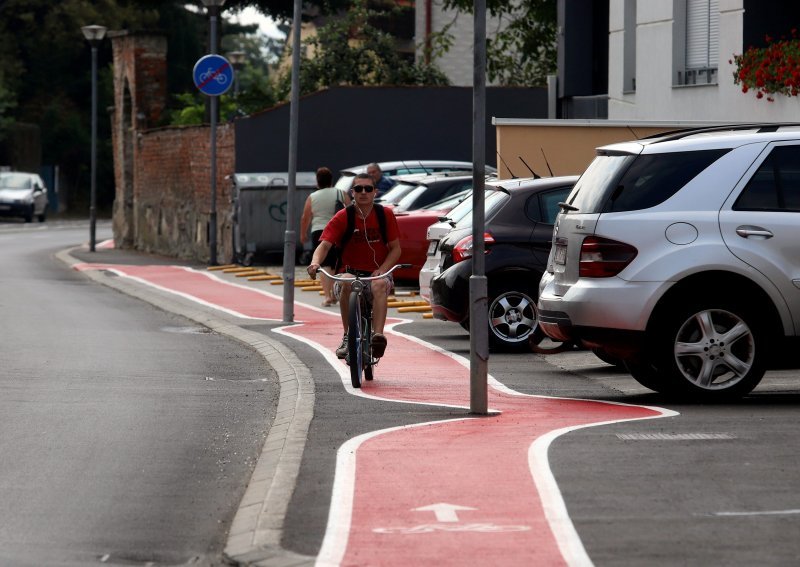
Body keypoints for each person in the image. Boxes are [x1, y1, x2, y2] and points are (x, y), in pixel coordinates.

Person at [307, 173, 401, 360]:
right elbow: (324, 244)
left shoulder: (385, 214)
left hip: (376, 274)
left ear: (375, 192)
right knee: (346, 283)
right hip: (350, 272)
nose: (363, 192)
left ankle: (378, 337)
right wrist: (315, 262)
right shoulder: (343, 216)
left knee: (380, 284)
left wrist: (383, 268)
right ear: (353, 192)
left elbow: (396, 249)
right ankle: (348, 335)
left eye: (368, 189)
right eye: (358, 189)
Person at [300, 166, 350, 306]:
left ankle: (328, 296)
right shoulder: (340, 193)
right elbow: (351, 210)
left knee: (323, 265)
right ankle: (335, 293)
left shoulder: (312, 197)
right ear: (331, 180)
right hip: (339, 230)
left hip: (319, 231)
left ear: (318, 181)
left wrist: (302, 234)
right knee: (335, 263)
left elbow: (305, 217)